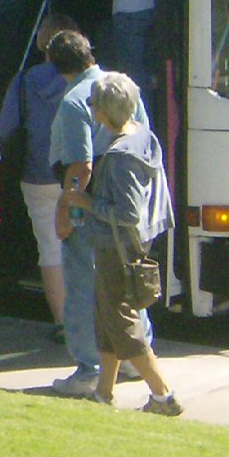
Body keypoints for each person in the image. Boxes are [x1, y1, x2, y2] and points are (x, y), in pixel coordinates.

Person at [45, 31, 150, 396]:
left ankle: (89, 368)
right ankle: (137, 360)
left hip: (93, 212)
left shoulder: (78, 101)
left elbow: (80, 167)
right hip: (129, 207)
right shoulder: (123, 86)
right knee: (126, 284)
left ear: (53, 64)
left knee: (83, 286)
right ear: (90, 52)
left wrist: (66, 210)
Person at [70, 73, 183, 415]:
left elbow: (127, 213)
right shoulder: (143, 136)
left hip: (117, 247)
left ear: (104, 111)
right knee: (105, 318)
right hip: (132, 244)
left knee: (122, 322)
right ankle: (104, 393)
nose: (92, 110)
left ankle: (163, 395)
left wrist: (86, 202)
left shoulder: (119, 157)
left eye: (95, 105)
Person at [0, 12, 80, 339]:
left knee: (50, 247)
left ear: (43, 44)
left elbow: (4, 129)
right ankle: (87, 318)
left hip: (37, 178)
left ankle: (63, 324)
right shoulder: (86, 81)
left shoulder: (24, 80)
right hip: (76, 179)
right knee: (78, 243)